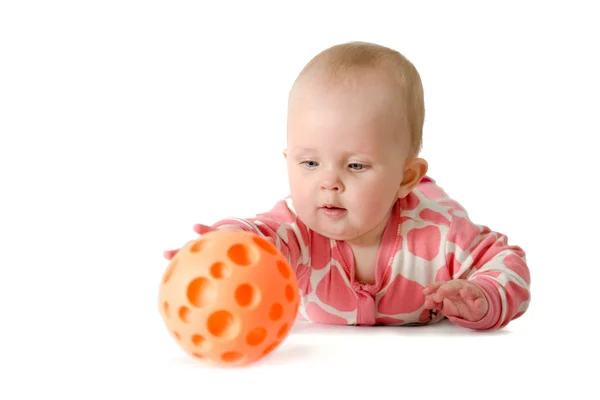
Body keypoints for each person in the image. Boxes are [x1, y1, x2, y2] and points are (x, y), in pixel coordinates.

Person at [164, 41, 531, 331]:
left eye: (355, 165)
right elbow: (259, 235)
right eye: (309, 163)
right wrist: (224, 245)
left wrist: (484, 294)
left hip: (422, 208)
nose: (329, 183)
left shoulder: (440, 235)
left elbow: (506, 261)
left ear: (405, 177)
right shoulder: (297, 231)